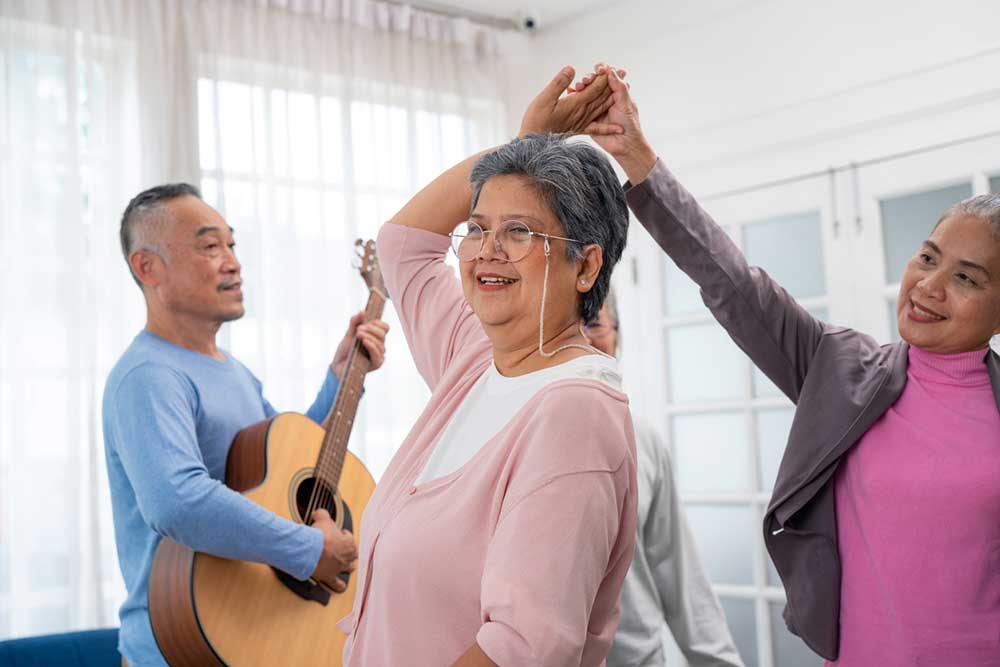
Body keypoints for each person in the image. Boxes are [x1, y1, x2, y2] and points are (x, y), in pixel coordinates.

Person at [570, 64, 1000, 665]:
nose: (929, 286)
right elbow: (732, 282)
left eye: (966, 277)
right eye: (927, 257)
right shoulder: (841, 368)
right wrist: (637, 156)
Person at [337, 68, 637, 667]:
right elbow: (402, 243)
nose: (486, 250)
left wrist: (523, 157)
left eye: (519, 232)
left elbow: (522, 648)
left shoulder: (574, 410)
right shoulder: (476, 358)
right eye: (477, 228)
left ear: (585, 267)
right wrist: (523, 144)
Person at [104, 183, 389, 666]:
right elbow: (178, 501)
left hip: (246, 633)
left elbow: (286, 464)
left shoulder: (233, 371)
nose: (233, 262)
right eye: (210, 246)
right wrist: (308, 548)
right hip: (179, 645)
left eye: (232, 245)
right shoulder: (148, 375)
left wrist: (342, 379)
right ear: (147, 267)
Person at [583, 293, 744, 667]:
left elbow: (678, 572)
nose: (583, 339)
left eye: (594, 323)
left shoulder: (643, 440)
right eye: (566, 326)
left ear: (617, 337)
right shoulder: (515, 440)